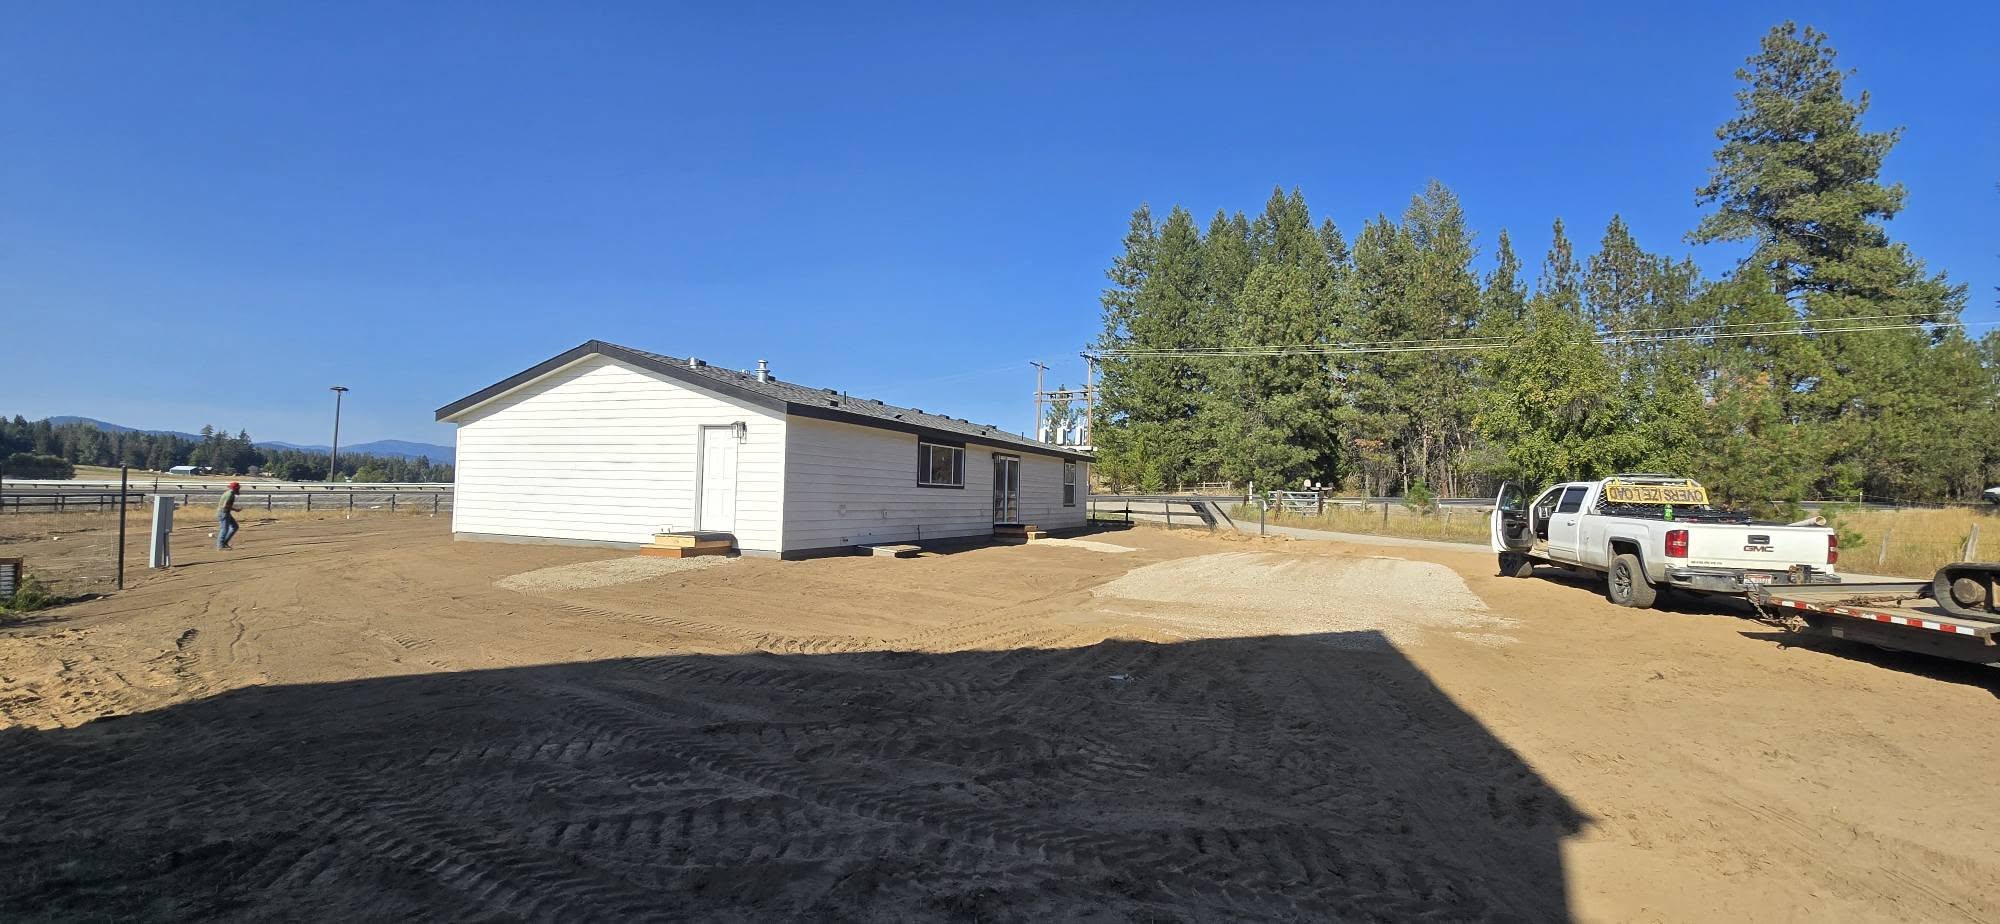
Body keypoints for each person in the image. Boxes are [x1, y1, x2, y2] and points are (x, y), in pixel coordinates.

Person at [217, 481, 242, 550]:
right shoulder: (230, 495)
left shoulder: (229, 493)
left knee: (235, 526)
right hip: (223, 513)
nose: (239, 490)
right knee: (224, 529)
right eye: (238, 488)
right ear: (235, 488)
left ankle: (224, 543)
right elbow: (225, 506)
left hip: (225, 512)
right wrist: (235, 509)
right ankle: (220, 545)